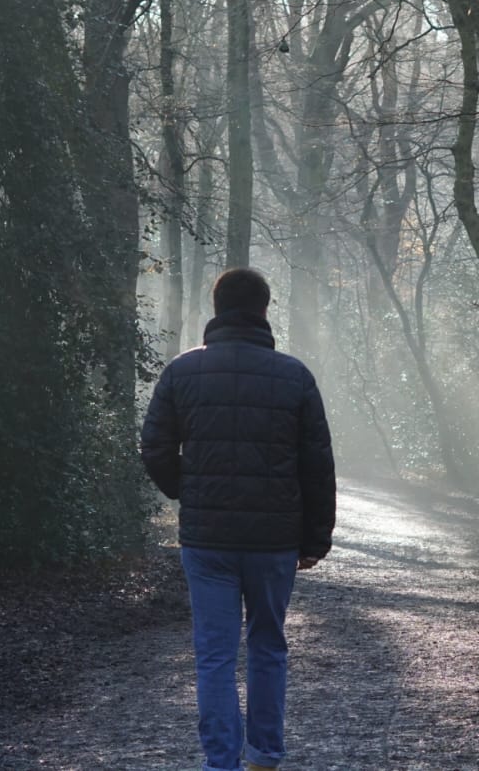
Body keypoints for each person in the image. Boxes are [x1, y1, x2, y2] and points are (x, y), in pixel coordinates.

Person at [140, 268, 337, 771]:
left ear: (217, 308)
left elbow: (155, 447)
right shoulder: (294, 376)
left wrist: (188, 491)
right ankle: (265, 754)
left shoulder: (182, 372)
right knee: (268, 645)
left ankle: (221, 762)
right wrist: (316, 536)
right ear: (265, 309)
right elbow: (317, 463)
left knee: (214, 654)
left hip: (207, 542)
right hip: (274, 541)